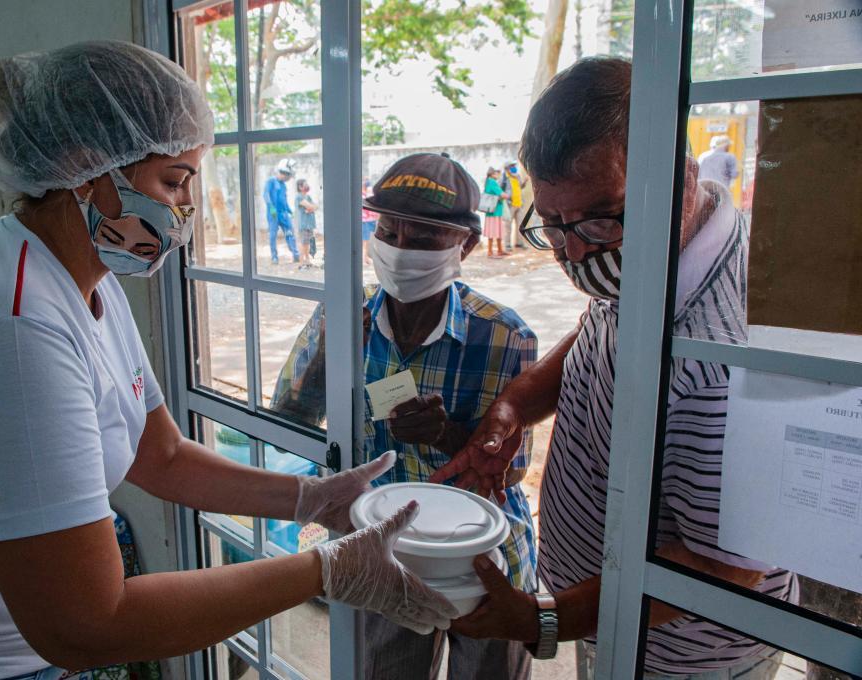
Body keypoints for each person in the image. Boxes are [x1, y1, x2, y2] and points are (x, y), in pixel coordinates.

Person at [0, 41, 456, 680]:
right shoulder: (13, 330)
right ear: (86, 167)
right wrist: (328, 570)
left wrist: (309, 498)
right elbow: (85, 625)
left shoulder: (85, 278)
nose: (184, 214)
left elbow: (157, 454)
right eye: (173, 181)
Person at [432, 57, 797, 678]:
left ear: (680, 177)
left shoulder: (727, 356)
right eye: (552, 225)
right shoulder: (646, 253)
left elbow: (728, 564)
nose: (574, 252)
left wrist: (548, 618)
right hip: (607, 619)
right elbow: (591, 329)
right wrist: (513, 406)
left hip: (685, 659)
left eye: (599, 218)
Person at [273, 153, 539, 680]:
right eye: (389, 231)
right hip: (382, 550)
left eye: (422, 239)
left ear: (464, 243)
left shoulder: (504, 336)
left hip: (480, 555)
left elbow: (511, 471)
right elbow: (288, 421)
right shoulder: (343, 316)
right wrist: (327, 358)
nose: (399, 250)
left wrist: (449, 435)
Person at [264, 158, 299, 264]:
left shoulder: (283, 185)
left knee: (289, 233)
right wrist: (271, 207)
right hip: (273, 214)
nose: (289, 179)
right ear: (284, 173)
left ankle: (296, 254)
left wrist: (290, 210)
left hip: (283, 214)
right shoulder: (270, 181)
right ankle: (274, 257)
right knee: (273, 235)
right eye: (288, 176)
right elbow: (266, 195)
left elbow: (284, 200)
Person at [501, 161, 528, 250]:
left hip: (519, 204)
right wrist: (505, 196)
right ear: (507, 169)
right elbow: (498, 189)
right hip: (510, 205)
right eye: (511, 166)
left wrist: (525, 182)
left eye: (514, 166)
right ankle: (507, 245)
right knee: (508, 226)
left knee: (520, 225)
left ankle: (519, 243)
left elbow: (520, 187)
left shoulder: (517, 176)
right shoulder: (504, 179)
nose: (513, 167)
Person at [482, 167, 507, 258]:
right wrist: (507, 195)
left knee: (495, 231)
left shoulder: (488, 182)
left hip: (492, 211)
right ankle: (490, 252)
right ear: (492, 174)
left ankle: (499, 250)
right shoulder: (492, 182)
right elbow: (502, 195)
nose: (498, 175)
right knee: (494, 231)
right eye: (497, 173)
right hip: (495, 211)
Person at [295, 178, 318, 268]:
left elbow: (316, 206)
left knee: (308, 243)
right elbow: (310, 206)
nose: (307, 185)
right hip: (304, 224)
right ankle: (301, 262)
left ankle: (307, 261)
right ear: (300, 187)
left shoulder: (308, 197)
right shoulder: (299, 197)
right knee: (303, 242)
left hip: (310, 224)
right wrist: (311, 207)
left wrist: (311, 208)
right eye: (305, 184)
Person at [361, 178, 379, 264]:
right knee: (365, 241)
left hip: (370, 220)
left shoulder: (367, 194)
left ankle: (366, 258)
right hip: (366, 221)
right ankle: (364, 259)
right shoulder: (362, 196)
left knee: (368, 241)